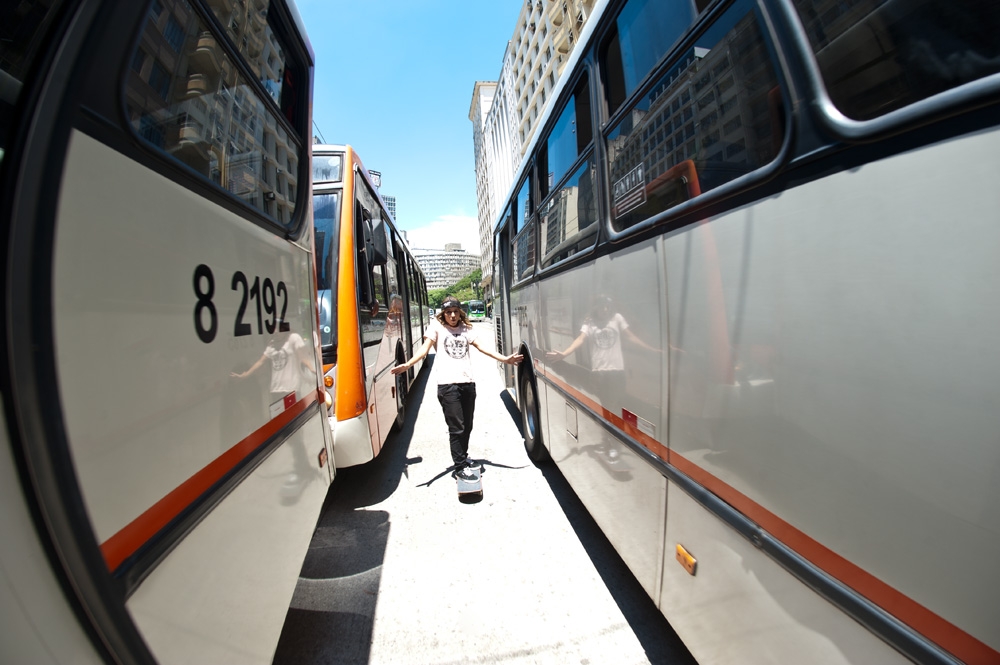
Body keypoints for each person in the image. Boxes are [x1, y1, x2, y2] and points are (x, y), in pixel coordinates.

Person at [391, 296, 522, 481]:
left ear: (460, 312)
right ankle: (459, 467)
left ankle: (464, 456)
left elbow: (483, 348)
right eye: (448, 312)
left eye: (455, 312)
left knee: (467, 426)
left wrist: (505, 359)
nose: (452, 315)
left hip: (467, 383)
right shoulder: (436, 328)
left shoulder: (466, 329)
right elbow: (424, 350)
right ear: (443, 314)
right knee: (457, 428)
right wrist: (408, 364)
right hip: (447, 385)